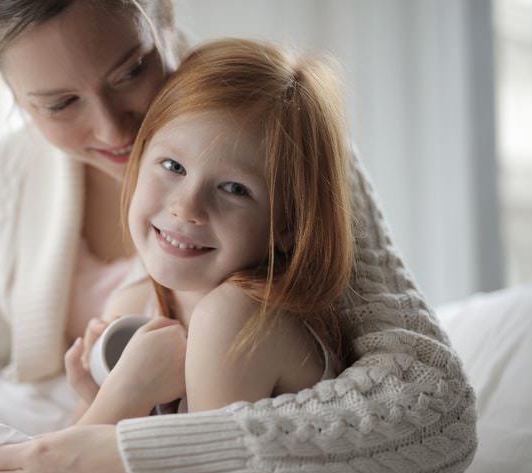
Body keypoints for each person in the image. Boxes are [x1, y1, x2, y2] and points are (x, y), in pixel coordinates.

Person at [0, 0, 476, 473]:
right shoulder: (6, 173)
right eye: (59, 104)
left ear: (162, 10)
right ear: (15, 98)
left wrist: (119, 445)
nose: (112, 128)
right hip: (42, 431)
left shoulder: (274, 132)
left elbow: (432, 408)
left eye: (131, 70)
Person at [64, 39, 353, 427]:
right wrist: (97, 397)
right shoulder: (134, 307)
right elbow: (58, 463)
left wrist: (125, 395)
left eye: (234, 189)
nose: (186, 207)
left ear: (288, 226)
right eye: (172, 165)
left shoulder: (236, 318)